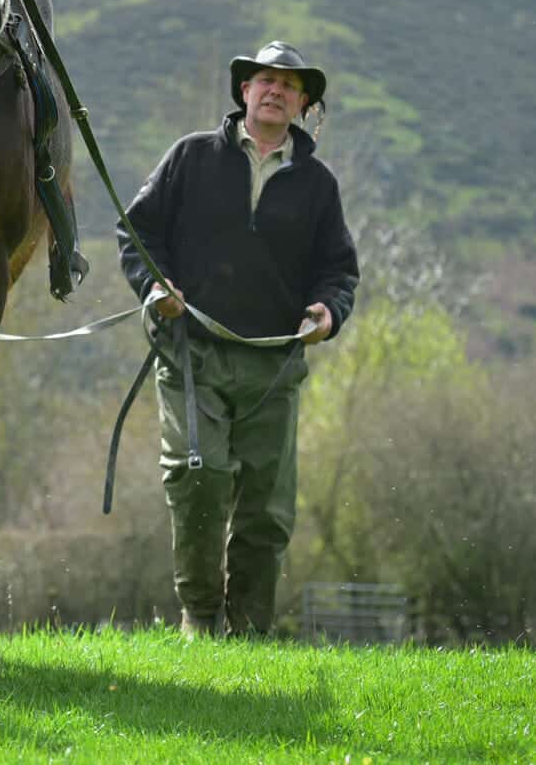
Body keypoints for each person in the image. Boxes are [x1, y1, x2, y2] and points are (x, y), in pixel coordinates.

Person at [118, 41, 359, 638]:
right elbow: (136, 231)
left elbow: (339, 270)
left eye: (289, 84)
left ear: (304, 103)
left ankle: (250, 634)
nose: (275, 90)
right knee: (200, 477)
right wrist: (155, 287)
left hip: (274, 364)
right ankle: (200, 619)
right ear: (244, 92)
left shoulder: (318, 186)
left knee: (266, 510)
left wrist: (329, 310)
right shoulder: (190, 158)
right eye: (264, 80)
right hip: (190, 352)